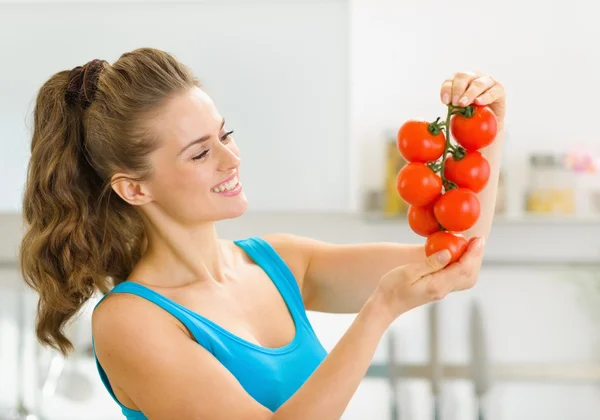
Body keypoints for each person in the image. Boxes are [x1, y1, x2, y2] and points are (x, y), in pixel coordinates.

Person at [19, 47, 505, 419]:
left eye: (224, 135)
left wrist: (488, 123)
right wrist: (379, 312)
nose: (232, 159)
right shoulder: (130, 322)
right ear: (134, 188)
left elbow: (456, 261)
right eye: (199, 153)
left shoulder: (279, 262)